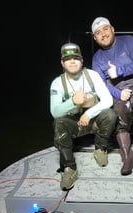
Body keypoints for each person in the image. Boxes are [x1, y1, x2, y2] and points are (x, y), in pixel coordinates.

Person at [91, 17, 133, 175]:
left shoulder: (128, 41)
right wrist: (118, 93)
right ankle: (127, 157)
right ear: (95, 38)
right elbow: (101, 85)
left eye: (105, 29)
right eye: (98, 33)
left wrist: (118, 70)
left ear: (112, 29)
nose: (103, 34)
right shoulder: (97, 57)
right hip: (116, 90)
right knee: (119, 114)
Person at [50, 42, 117, 191]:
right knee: (58, 123)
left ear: (82, 61)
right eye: (68, 59)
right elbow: (55, 112)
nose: (72, 61)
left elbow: (108, 100)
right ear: (62, 62)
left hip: (94, 123)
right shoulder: (57, 83)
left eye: (76, 58)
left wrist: (88, 113)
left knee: (110, 114)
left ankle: (100, 148)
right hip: (75, 126)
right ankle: (69, 168)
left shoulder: (92, 75)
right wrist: (73, 102)